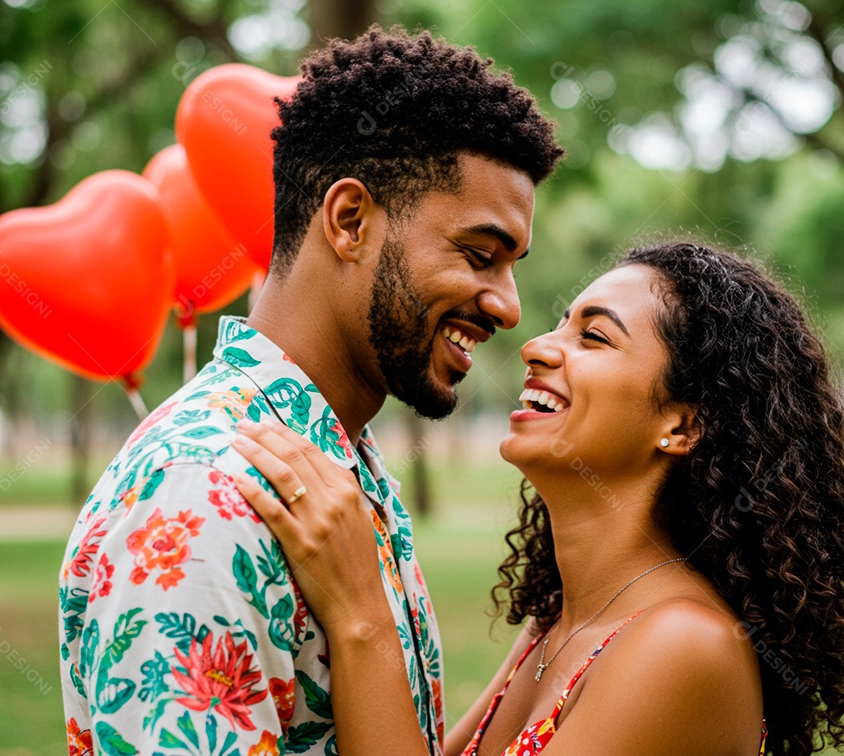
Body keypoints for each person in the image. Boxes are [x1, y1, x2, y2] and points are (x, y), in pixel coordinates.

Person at [58, 26, 563, 755]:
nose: (508, 306)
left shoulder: (334, 464)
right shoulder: (204, 495)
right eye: (479, 256)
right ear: (350, 220)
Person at [230, 241, 844, 756]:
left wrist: (362, 617)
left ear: (682, 425)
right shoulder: (558, 623)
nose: (536, 347)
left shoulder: (683, 646)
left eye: (594, 336)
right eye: (561, 323)